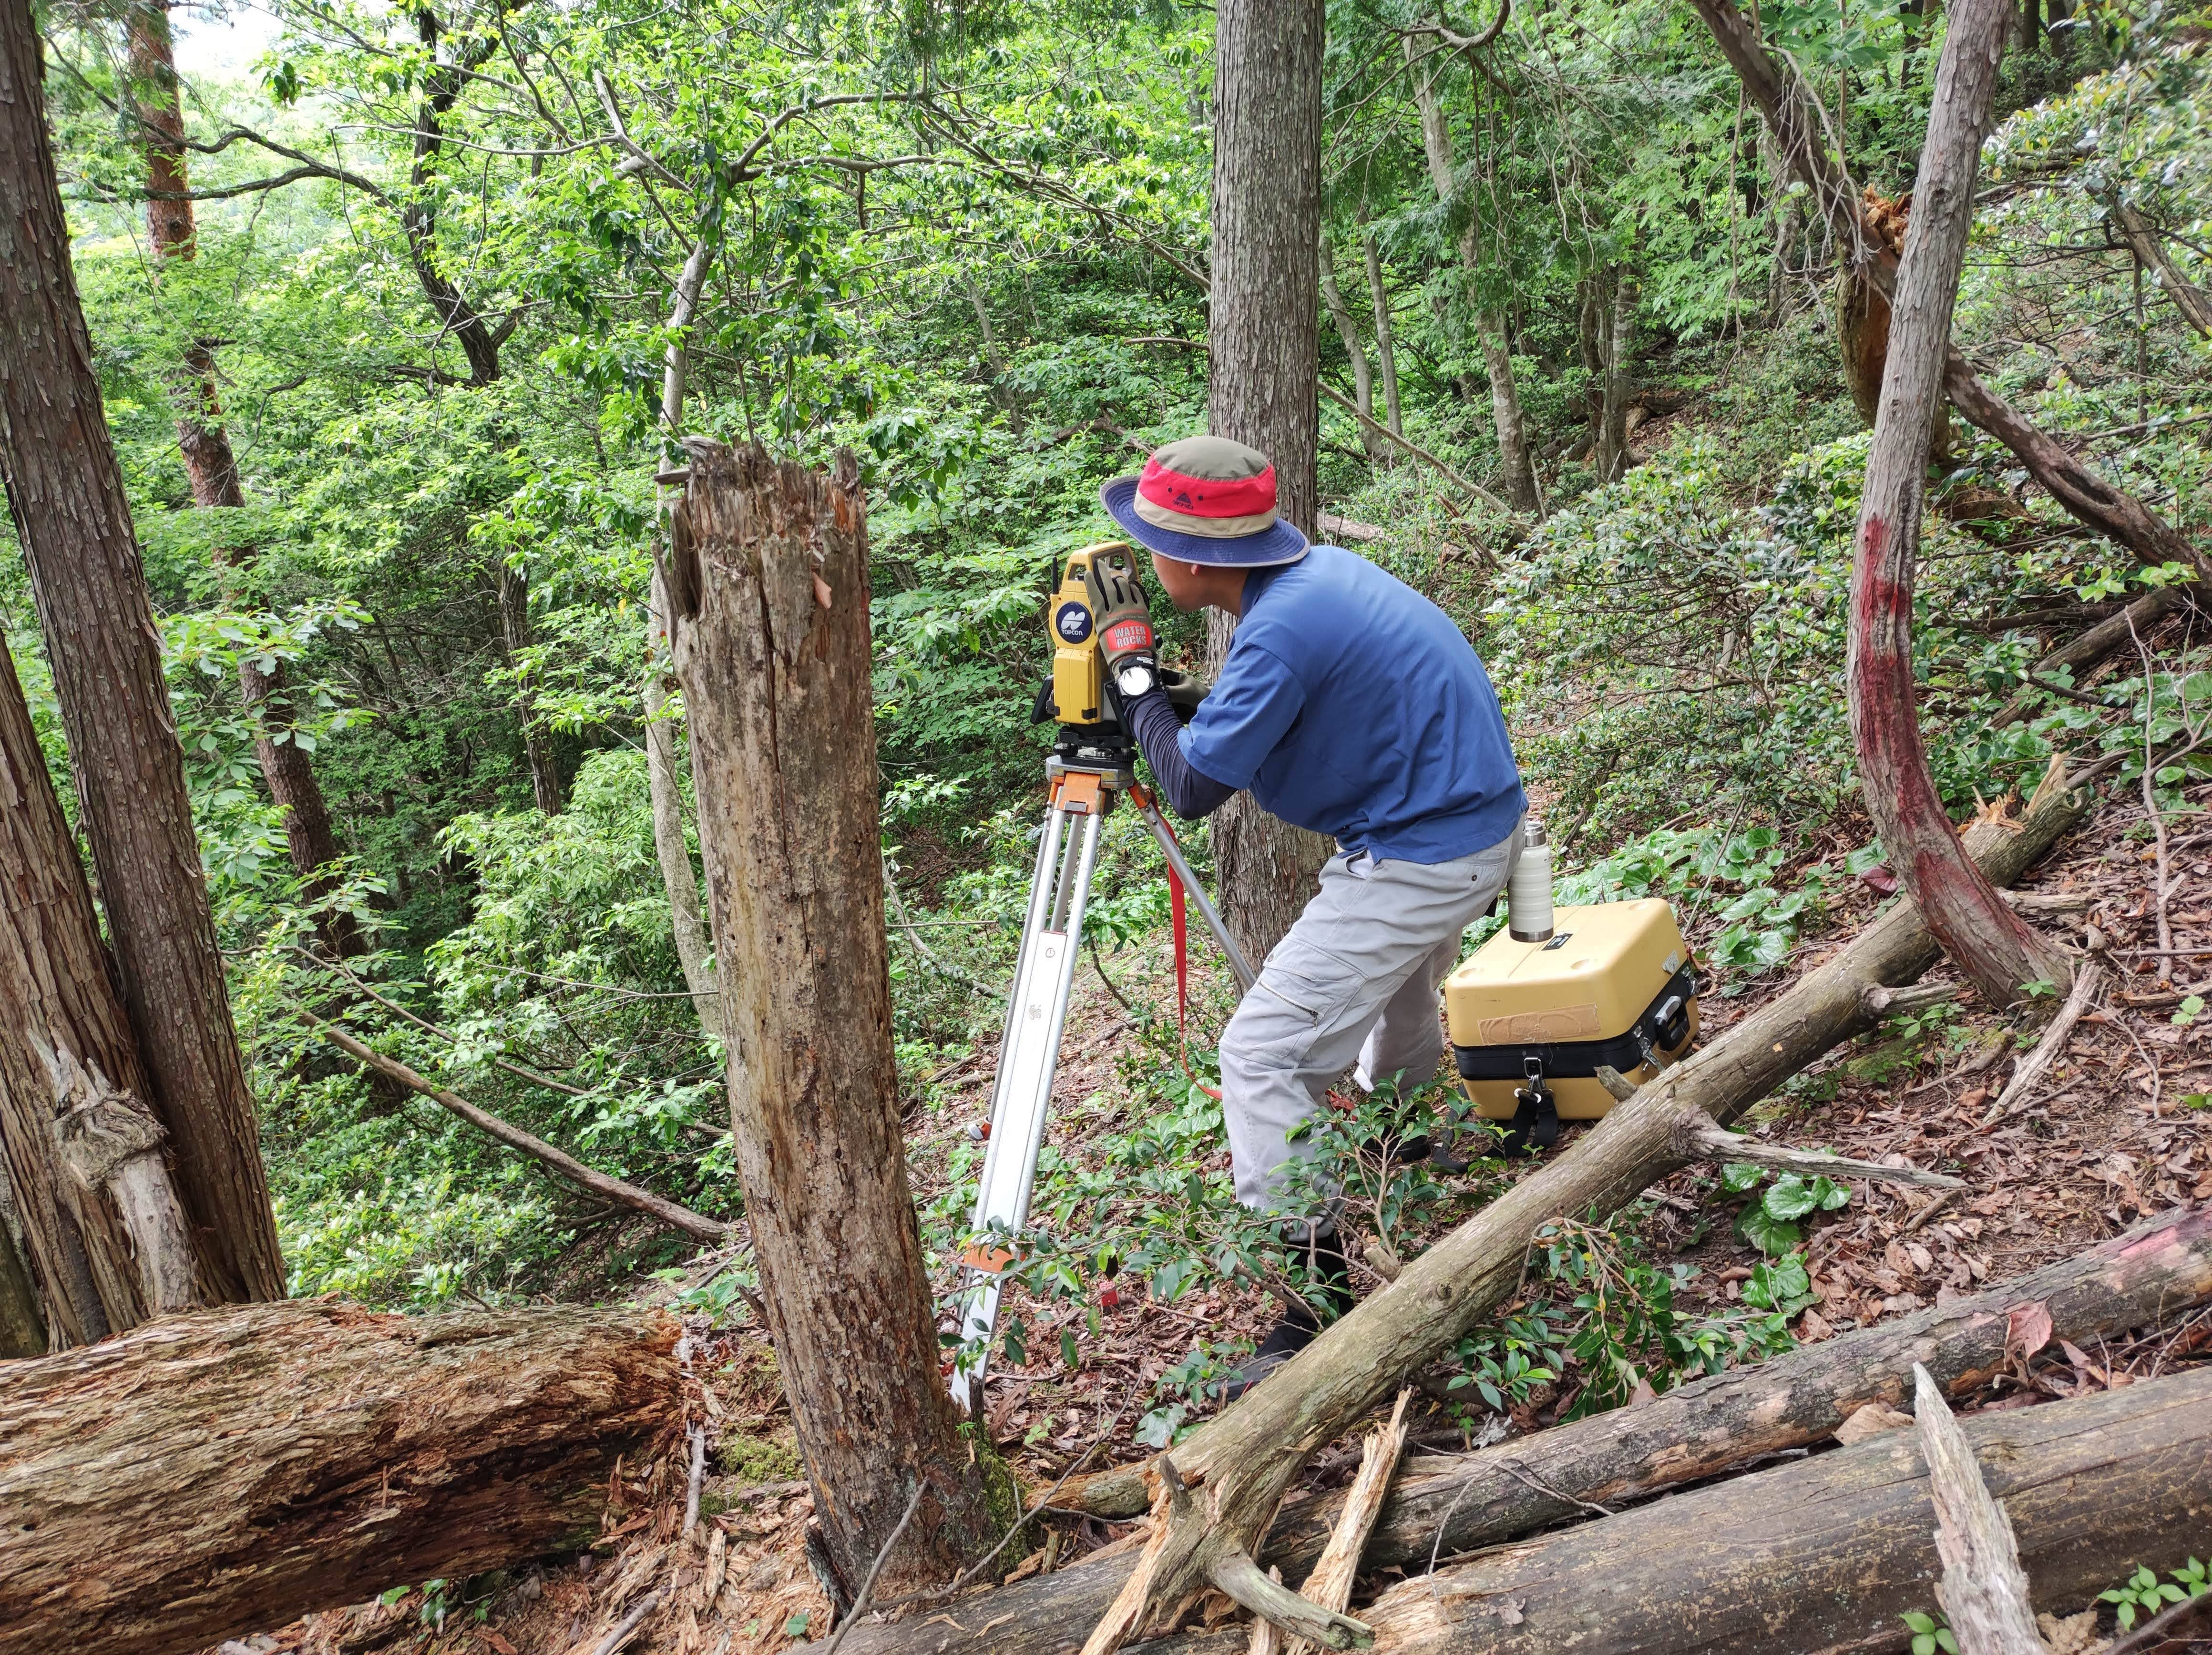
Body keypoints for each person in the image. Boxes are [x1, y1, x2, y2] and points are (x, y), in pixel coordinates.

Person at [1093, 433, 1526, 1397]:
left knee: (1260, 1056)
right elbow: (1295, 702)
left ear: (1197, 557)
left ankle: (1318, 1293)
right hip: (1470, 822)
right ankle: (1401, 1144)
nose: (1144, 560)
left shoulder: (1283, 623)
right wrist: (1188, 701)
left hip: (1422, 850)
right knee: (1405, 996)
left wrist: (1132, 687)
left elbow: (1196, 782)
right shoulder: (1314, 580)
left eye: (1149, 541)